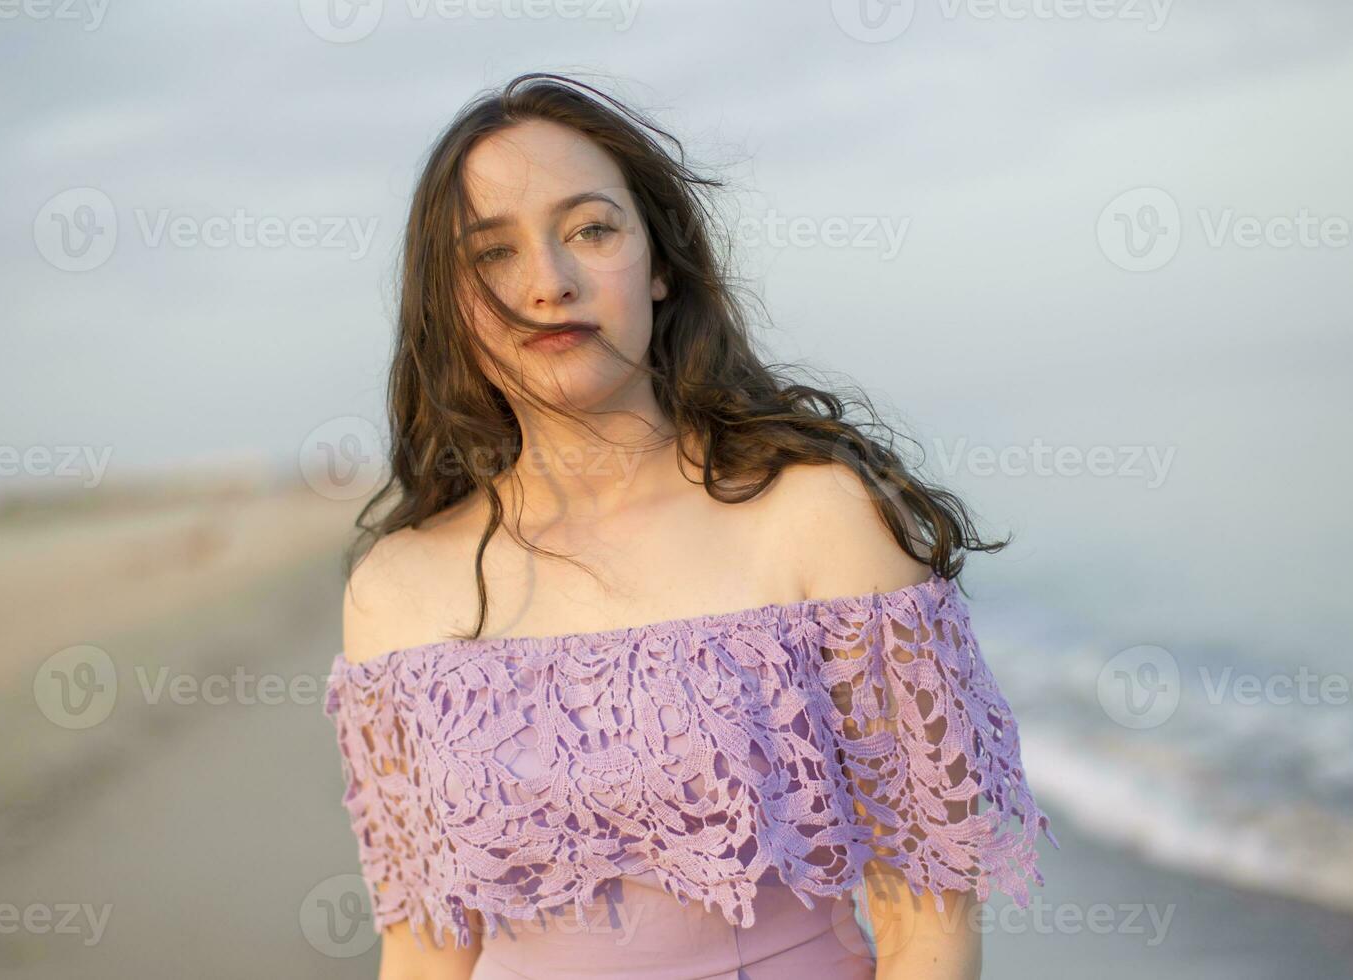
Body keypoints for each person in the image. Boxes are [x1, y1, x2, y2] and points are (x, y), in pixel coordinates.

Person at [324, 71, 1056, 980]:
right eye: (492, 255)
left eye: (591, 229)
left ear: (660, 264)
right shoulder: (397, 590)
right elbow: (425, 947)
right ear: (451, 302)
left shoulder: (819, 517)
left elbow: (927, 919)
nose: (548, 283)